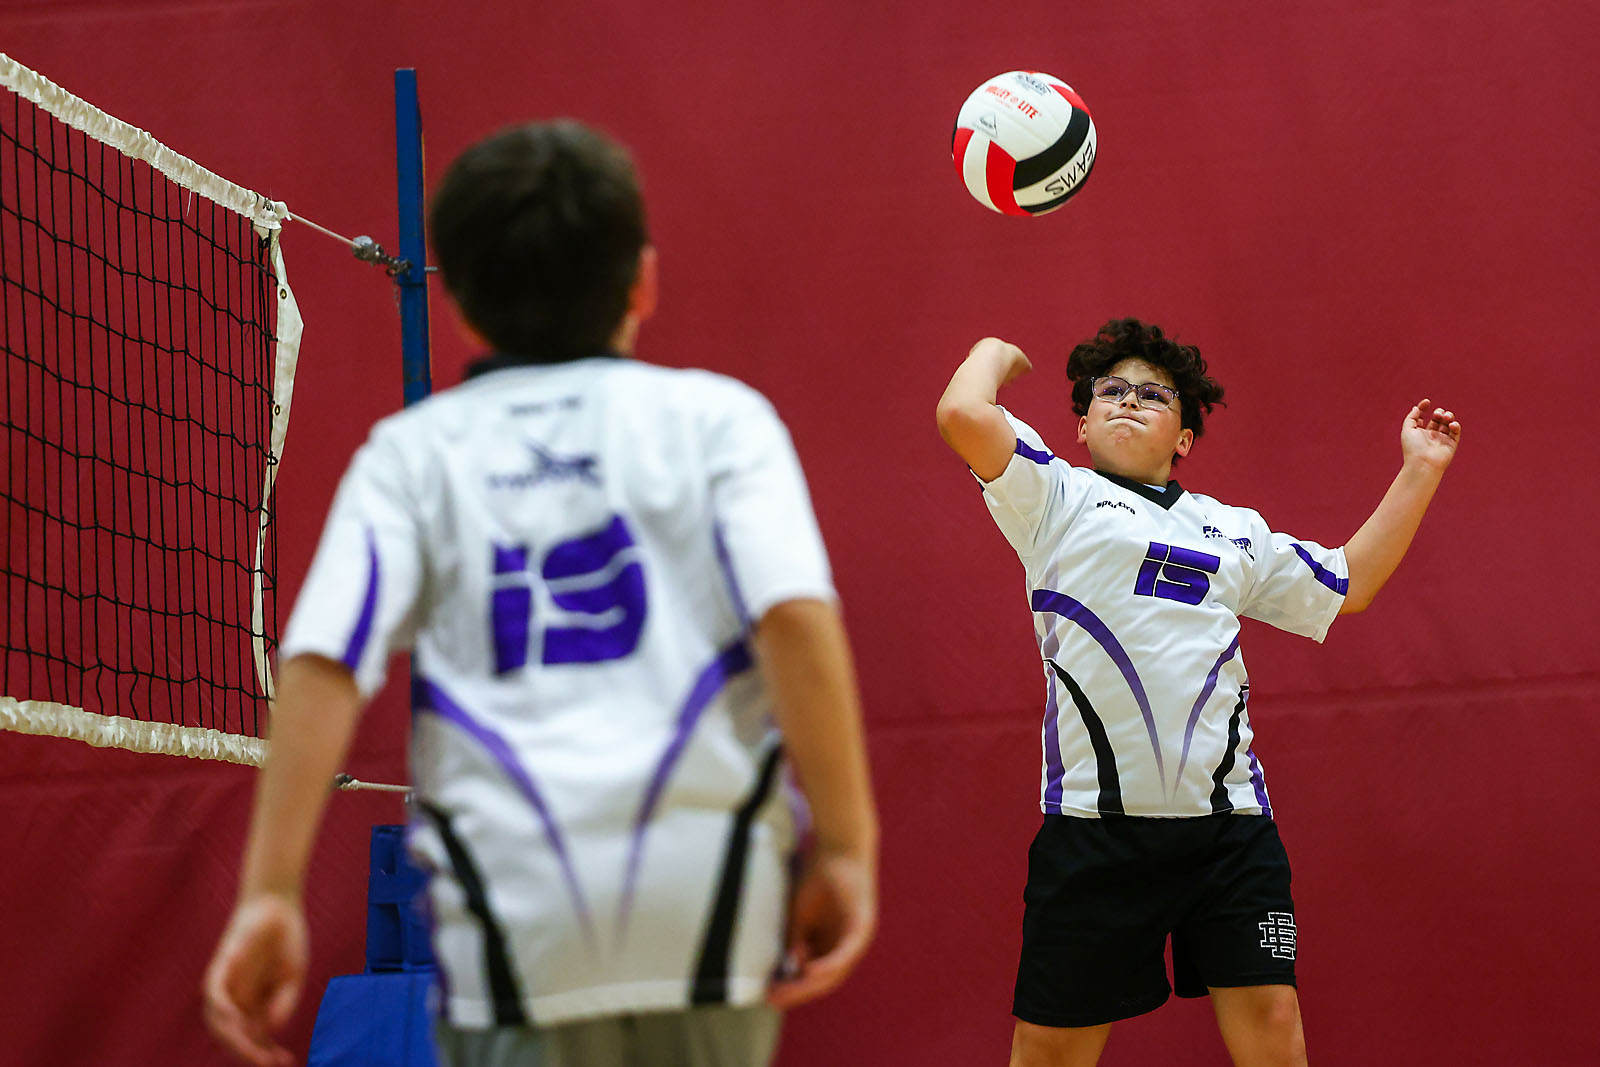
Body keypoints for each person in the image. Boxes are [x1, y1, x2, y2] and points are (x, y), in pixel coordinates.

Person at [203, 120, 878, 1067]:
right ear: (641, 280)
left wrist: (270, 890)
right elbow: (795, 621)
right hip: (705, 903)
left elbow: (321, 661)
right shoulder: (723, 421)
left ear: (464, 310)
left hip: (517, 923)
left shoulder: (414, 453)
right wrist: (847, 847)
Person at [935, 320, 1461, 1067]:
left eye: (1154, 394)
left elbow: (1350, 584)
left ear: (1183, 436)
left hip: (1230, 829)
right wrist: (995, 350)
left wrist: (1421, 468)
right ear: (1081, 422)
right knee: (1050, 1049)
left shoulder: (1232, 530)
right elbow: (963, 413)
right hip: (1095, 831)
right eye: (1109, 390)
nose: (1128, 401)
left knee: (1274, 1024)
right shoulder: (1053, 497)